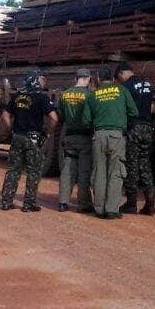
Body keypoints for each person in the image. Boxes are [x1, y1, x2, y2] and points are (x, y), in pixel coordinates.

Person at [83, 65, 137, 219]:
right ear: (113, 78)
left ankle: (99, 208)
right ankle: (112, 209)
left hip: (98, 136)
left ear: (98, 79)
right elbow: (134, 112)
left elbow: (86, 120)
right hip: (117, 136)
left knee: (99, 172)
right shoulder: (122, 90)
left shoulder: (92, 96)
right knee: (116, 172)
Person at [0, 70, 57, 212]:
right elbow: (54, 118)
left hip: (17, 136)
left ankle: (6, 202)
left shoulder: (17, 97)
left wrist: (9, 130)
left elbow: (5, 115)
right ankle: (28, 204)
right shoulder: (41, 98)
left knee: (13, 170)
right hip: (33, 139)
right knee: (33, 172)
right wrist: (49, 132)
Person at [116, 62, 155, 215]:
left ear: (121, 74)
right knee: (145, 164)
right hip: (148, 128)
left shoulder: (125, 88)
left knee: (131, 165)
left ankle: (131, 203)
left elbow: (124, 109)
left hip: (134, 129)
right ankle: (150, 203)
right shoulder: (147, 84)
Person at [56, 68, 94, 213]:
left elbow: (61, 117)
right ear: (88, 79)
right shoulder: (89, 95)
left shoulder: (64, 95)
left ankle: (63, 202)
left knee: (67, 170)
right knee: (84, 171)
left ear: (75, 78)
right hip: (84, 137)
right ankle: (84, 203)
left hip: (69, 136)